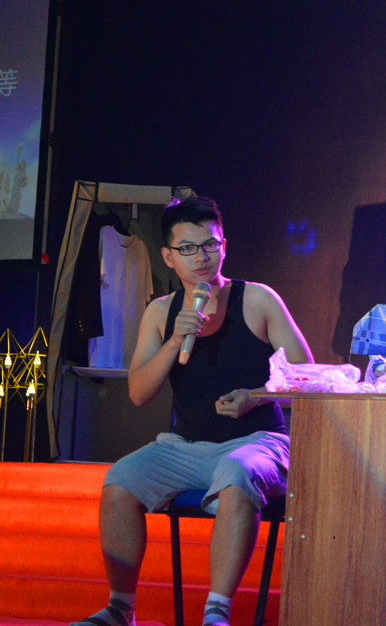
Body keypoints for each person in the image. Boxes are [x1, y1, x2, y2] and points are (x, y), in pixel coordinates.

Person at [73, 197, 313, 626]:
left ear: (224, 246)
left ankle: (215, 614)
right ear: (168, 256)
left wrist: (257, 396)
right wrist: (174, 339)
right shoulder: (161, 311)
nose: (201, 257)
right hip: (185, 445)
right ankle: (120, 609)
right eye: (187, 248)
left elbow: (308, 378)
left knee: (238, 472)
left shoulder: (257, 299)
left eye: (209, 245)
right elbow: (138, 393)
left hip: (258, 442)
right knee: (119, 481)